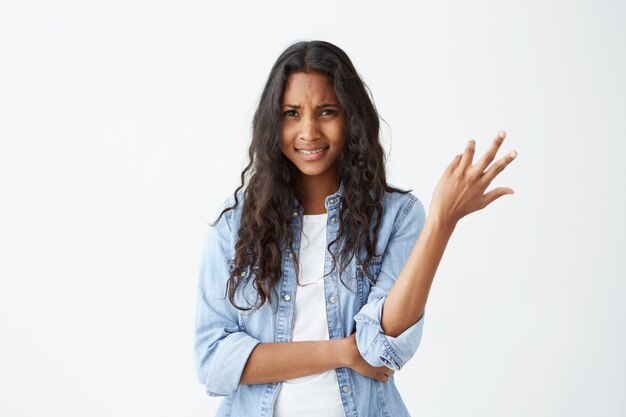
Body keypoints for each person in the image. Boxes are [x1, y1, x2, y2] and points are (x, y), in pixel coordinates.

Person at [194, 40, 517, 417]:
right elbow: (213, 361)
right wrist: (341, 351)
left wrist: (441, 222)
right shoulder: (236, 225)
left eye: (327, 111)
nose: (309, 131)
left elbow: (380, 350)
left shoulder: (395, 217)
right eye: (291, 113)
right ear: (273, 123)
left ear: (352, 118)